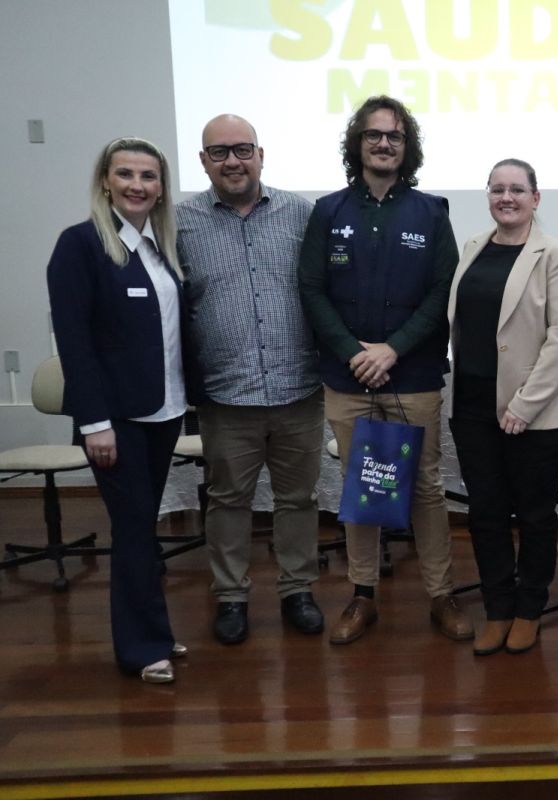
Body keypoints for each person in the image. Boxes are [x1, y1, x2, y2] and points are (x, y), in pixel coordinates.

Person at [298, 95, 471, 645]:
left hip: (413, 377)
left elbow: (442, 292)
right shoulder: (329, 212)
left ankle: (441, 595)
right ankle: (362, 596)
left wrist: (392, 350)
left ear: (406, 146)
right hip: (347, 377)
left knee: (424, 487)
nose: (383, 143)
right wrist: (355, 353)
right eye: (373, 134)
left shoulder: (431, 212)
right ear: (357, 143)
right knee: (362, 486)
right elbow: (311, 289)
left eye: (394, 136)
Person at [176, 114, 324, 645]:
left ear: (261, 154)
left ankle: (297, 590)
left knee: (298, 499)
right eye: (219, 152)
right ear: (203, 161)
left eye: (242, 149)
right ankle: (231, 597)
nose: (233, 161)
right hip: (225, 394)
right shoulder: (180, 224)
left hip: (297, 387)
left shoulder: (301, 214)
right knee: (228, 500)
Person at [46, 137, 188, 683]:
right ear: (105, 181)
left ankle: (154, 631)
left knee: (141, 527)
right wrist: (94, 423)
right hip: (116, 421)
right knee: (132, 530)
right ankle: (141, 648)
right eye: (125, 174)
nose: (137, 185)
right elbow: (75, 344)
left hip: (165, 412)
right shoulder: (80, 245)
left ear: (161, 188)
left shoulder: (160, 247)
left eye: (148, 176)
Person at [448, 158, 558, 656]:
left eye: (517, 190)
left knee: (534, 515)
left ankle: (529, 610)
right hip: (473, 407)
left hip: (536, 413)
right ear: (488, 195)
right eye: (497, 189)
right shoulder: (472, 247)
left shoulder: (557, 256)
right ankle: (498, 609)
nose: (507, 198)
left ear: (536, 198)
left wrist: (524, 405)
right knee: (485, 515)